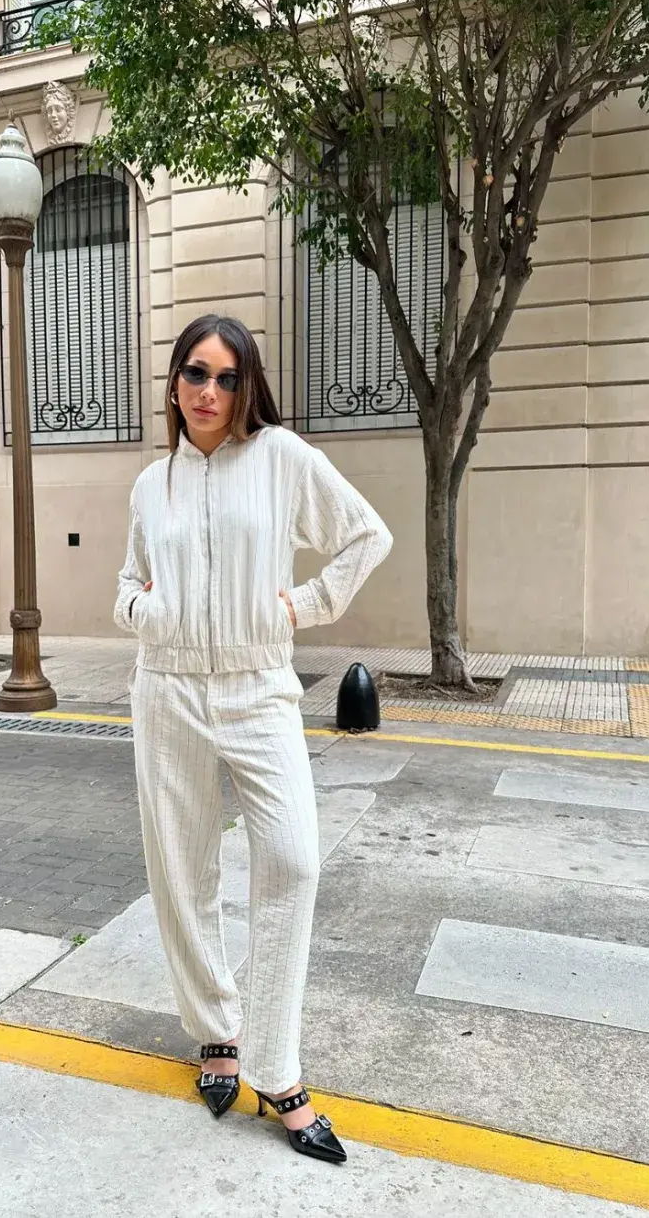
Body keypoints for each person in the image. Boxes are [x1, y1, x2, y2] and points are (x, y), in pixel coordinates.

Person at [114, 314, 392, 1164]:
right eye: (196, 374)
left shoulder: (281, 460)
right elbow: (128, 580)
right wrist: (140, 612)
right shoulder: (150, 484)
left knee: (294, 860)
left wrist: (301, 608)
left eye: (228, 378)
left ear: (247, 386)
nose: (209, 392)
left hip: (257, 687)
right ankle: (215, 1034)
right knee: (182, 867)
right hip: (166, 690)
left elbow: (365, 534)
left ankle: (276, 1065)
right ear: (173, 382)